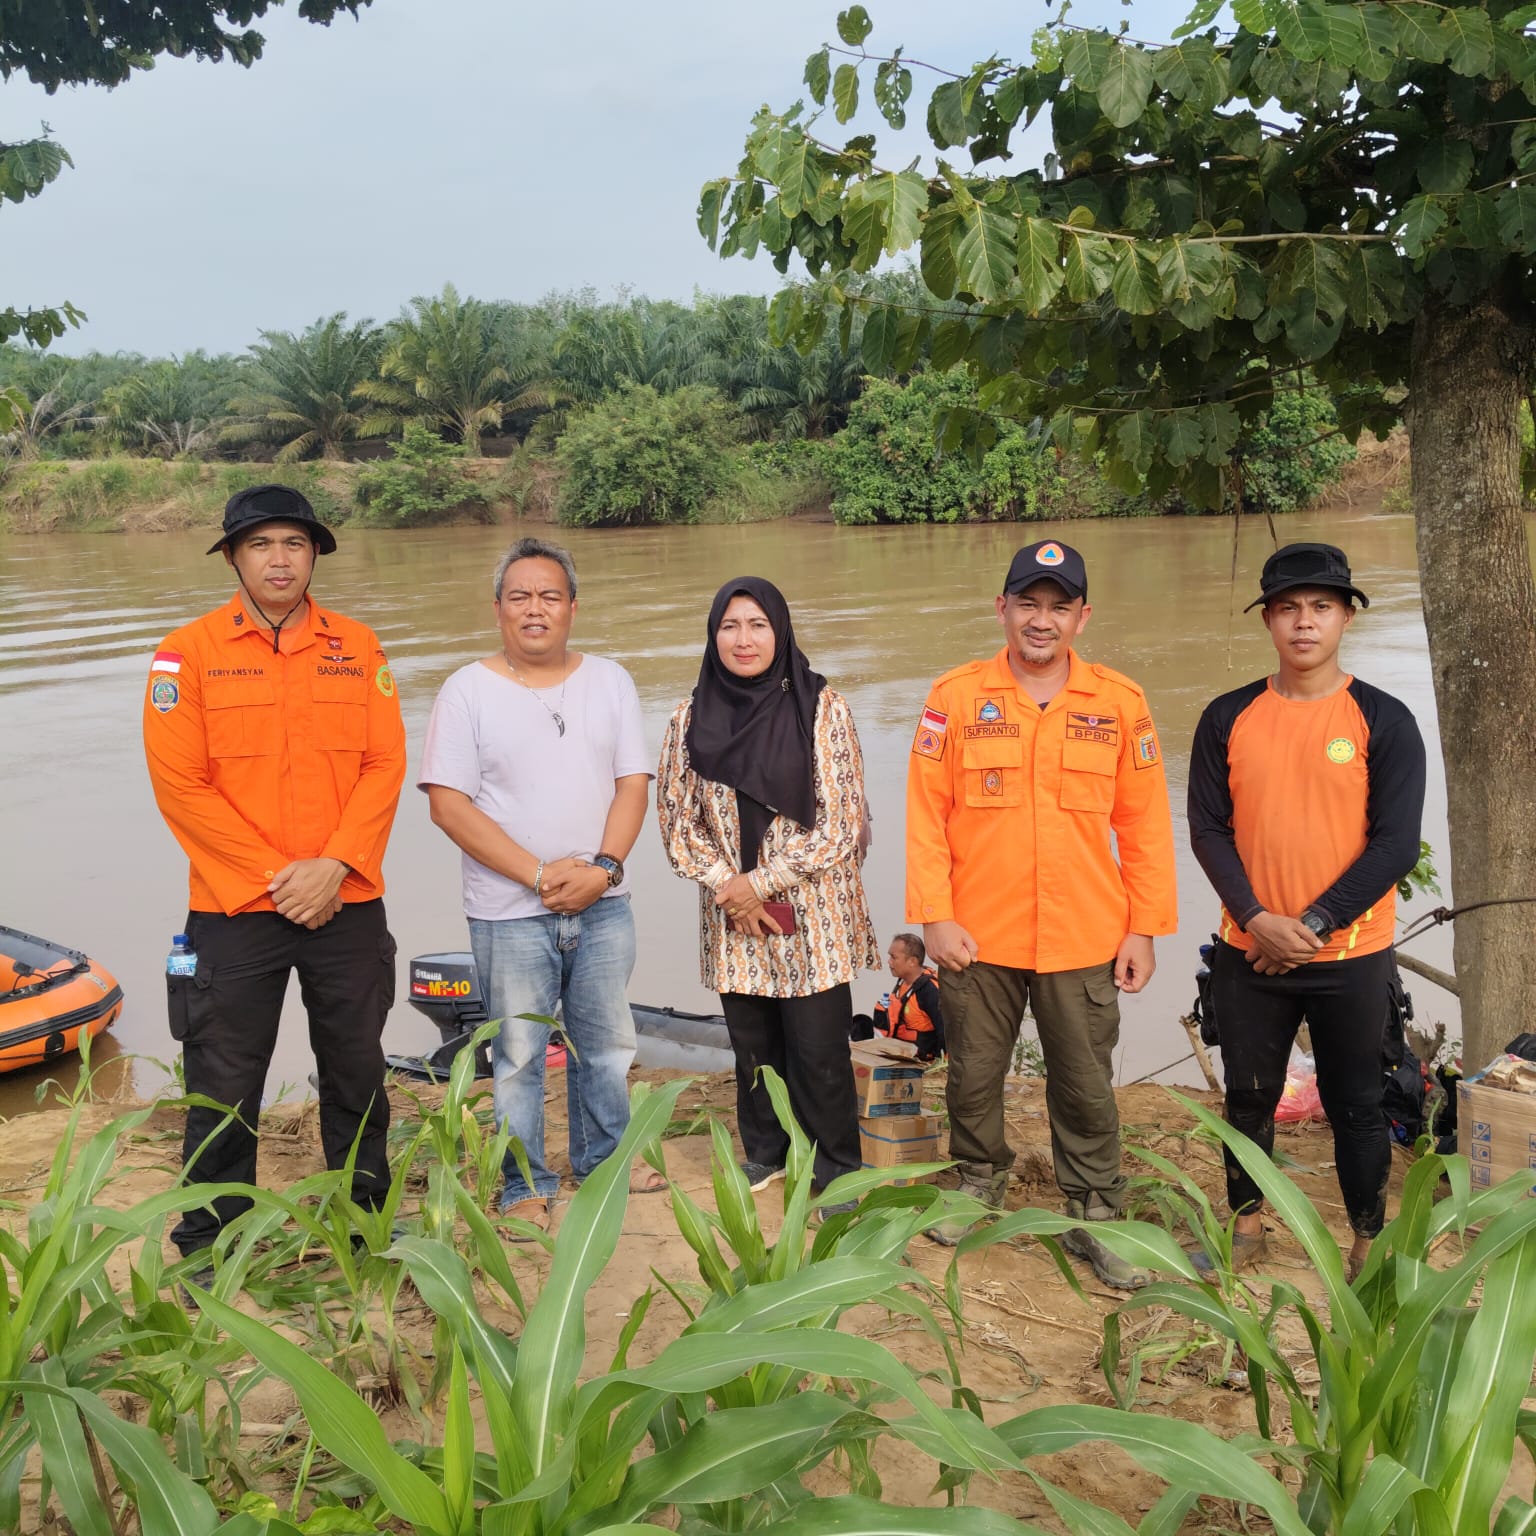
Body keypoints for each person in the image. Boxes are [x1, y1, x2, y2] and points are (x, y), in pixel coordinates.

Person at [143, 484, 406, 1270]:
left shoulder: (358, 647)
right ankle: (208, 1249)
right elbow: (180, 788)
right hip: (232, 908)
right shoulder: (184, 655)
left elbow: (384, 763)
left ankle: (366, 1233)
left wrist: (332, 866)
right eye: (261, 544)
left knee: (357, 1070)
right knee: (223, 1085)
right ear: (232, 556)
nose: (280, 559)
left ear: (315, 553)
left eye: (295, 542)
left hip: (345, 900)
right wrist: (276, 878)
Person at [906, 539, 1177, 1286]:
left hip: (1085, 932)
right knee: (974, 1073)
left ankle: (1095, 1209)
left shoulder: (1119, 704)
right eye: (1028, 603)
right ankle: (976, 1182)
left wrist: (1143, 929)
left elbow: (1145, 825)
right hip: (977, 933)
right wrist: (934, 916)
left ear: (1082, 618)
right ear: (1003, 609)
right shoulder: (955, 696)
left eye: (1059, 607)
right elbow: (926, 815)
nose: (1041, 620)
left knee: (1085, 1082)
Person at [1188, 542, 1426, 1281]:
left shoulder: (1383, 721)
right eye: (1287, 608)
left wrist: (1313, 925)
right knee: (1248, 1096)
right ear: (1267, 621)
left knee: (1356, 1102)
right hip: (1248, 950)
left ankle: (1365, 1242)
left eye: (1320, 607)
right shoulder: (1227, 716)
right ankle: (1248, 1226)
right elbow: (1207, 830)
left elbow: (1394, 845)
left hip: (1350, 954)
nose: (1303, 623)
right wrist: (1259, 919)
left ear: (1346, 617)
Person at [419, 537, 660, 1234]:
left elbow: (632, 785)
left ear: (573, 608)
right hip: (508, 912)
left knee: (607, 1045)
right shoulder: (468, 690)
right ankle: (522, 1181)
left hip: (605, 903)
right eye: (520, 596)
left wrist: (604, 869)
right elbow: (448, 804)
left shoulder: (609, 679)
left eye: (550, 596)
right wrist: (536, 874)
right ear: (497, 610)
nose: (535, 609)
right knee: (519, 1053)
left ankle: (605, 1159)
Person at [658, 577, 878, 1215]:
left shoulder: (823, 709)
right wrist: (729, 886)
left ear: (780, 631)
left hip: (814, 913)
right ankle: (766, 1149)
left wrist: (758, 883)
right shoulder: (689, 717)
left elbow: (840, 824)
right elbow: (677, 822)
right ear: (713, 636)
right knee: (752, 1042)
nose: (743, 639)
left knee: (819, 1050)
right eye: (730, 626)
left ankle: (834, 1165)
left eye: (757, 624)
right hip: (733, 916)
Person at [878, 933, 945, 1061]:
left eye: (893, 957)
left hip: (923, 1062)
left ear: (912, 961)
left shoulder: (929, 990)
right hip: (902, 1055)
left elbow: (945, 1030)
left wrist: (938, 1063)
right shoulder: (902, 982)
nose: (889, 961)